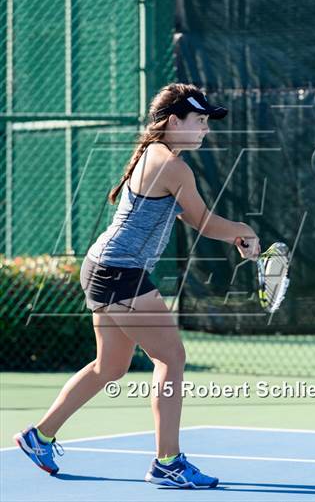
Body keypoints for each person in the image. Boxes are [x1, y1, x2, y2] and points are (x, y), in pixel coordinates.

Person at [13, 83, 261, 489]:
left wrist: (233, 235)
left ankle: (39, 436)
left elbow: (184, 215)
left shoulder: (157, 156)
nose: (204, 129)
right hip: (120, 272)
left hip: (101, 266)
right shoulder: (173, 165)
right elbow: (203, 221)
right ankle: (168, 462)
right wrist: (243, 229)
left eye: (206, 123)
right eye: (198, 121)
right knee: (172, 358)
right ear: (172, 121)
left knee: (109, 367)